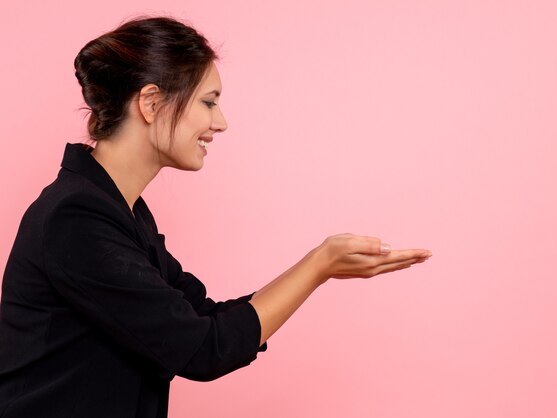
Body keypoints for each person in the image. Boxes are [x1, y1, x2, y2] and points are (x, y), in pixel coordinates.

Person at [0, 16, 432, 418]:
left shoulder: (120, 212)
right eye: (208, 102)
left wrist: (320, 265)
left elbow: (204, 320)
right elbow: (204, 350)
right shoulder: (76, 217)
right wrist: (318, 266)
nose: (220, 122)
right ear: (151, 103)